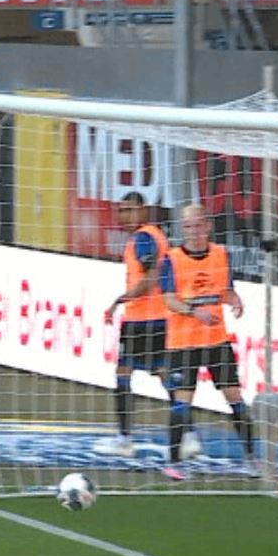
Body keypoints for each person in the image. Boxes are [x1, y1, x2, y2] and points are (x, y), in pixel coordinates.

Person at [159, 202, 254, 478]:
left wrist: (235, 300)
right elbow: (169, 300)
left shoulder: (221, 255)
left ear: (208, 225)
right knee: (182, 401)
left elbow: (225, 291)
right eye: (188, 226)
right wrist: (194, 311)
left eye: (199, 224)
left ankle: (250, 457)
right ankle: (174, 463)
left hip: (215, 340)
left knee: (234, 396)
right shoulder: (172, 259)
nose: (194, 231)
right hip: (183, 343)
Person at [96, 192, 173, 458]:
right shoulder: (153, 235)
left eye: (130, 210)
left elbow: (151, 277)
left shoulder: (143, 238)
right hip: (159, 317)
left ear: (143, 210)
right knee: (164, 373)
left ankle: (124, 439)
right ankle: (187, 434)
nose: (124, 216)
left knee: (123, 373)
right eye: (121, 210)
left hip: (142, 318)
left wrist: (121, 299)